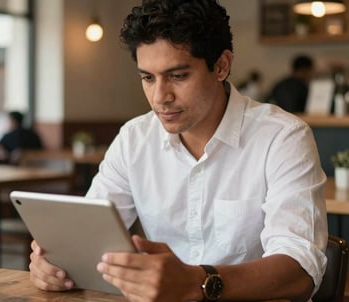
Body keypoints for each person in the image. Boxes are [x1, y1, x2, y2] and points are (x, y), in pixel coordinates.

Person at [29, 1, 327, 301]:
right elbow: (88, 234)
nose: (160, 97)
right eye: (148, 78)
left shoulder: (283, 137)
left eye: (178, 76)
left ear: (221, 66)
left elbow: (300, 271)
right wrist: (54, 262)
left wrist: (196, 282)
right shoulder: (134, 139)